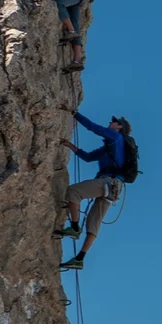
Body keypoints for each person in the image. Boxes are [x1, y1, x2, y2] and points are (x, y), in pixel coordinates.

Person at [56, 108, 132, 270]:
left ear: (119, 127)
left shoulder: (116, 137)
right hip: (114, 189)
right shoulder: (110, 147)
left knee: (73, 191)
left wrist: (74, 113)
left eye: (114, 121)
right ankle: (80, 258)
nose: (110, 123)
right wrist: (70, 146)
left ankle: (75, 227)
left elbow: (93, 127)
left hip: (107, 182)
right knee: (94, 221)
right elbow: (88, 157)